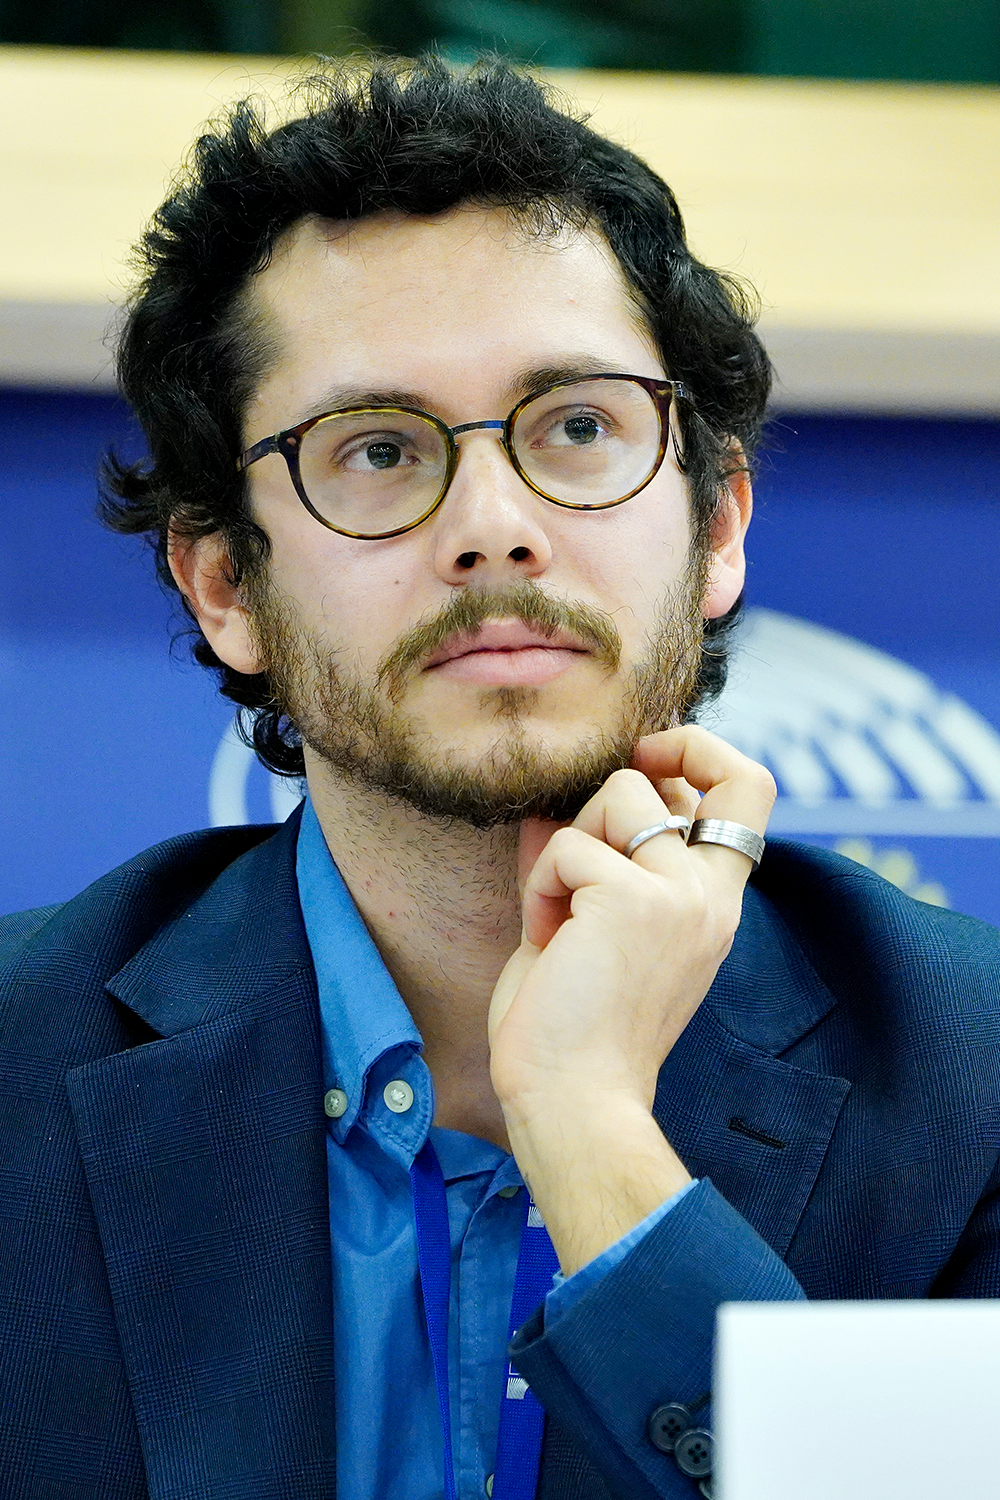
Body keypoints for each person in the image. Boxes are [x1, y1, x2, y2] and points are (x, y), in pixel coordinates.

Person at [2, 58, 999, 1500]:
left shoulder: (975, 1085)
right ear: (226, 585)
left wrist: (592, 1130)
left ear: (717, 524)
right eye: (379, 451)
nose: (492, 526)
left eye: (579, 428)